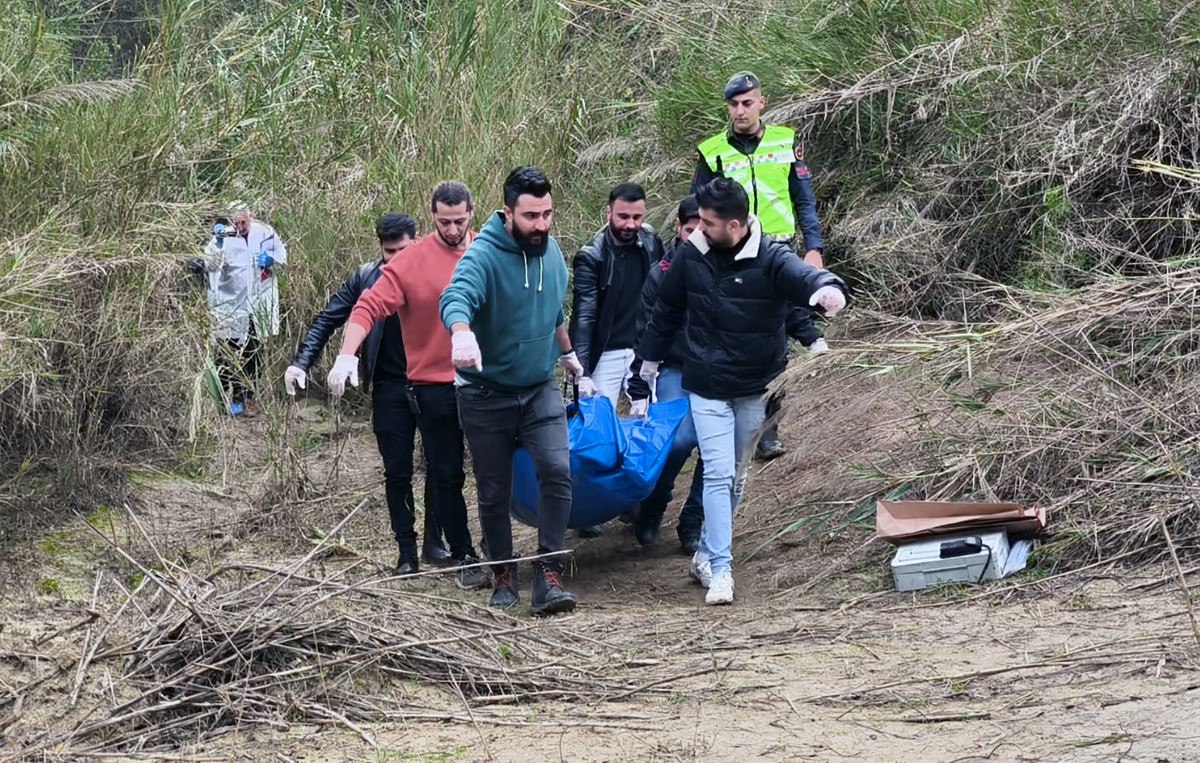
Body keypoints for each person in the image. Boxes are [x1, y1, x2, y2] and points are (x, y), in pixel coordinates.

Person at [637, 178, 848, 606]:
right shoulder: (691, 255)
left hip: (754, 388)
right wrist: (647, 366)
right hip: (707, 385)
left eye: (709, 223)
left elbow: (807, 277)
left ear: (735, 226)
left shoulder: (769, 257)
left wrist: (828, 290)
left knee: (736, 477)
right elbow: (667, 310)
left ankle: (705, 554)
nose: (700, 230)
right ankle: (722, 569)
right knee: (716, 472)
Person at [325, 186, 490, 591]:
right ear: (432, 217)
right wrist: (347, 354)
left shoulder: (487, 251)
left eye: (460, 221)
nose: (453, 229)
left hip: (485, 381)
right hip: (432, 384)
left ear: (472, 214)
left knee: (480, 473)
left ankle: (488, 548)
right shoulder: (412, 260)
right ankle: (443, 553)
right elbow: (367, 306)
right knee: (435, 471)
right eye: (444, 222)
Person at [439, 166, 583, 617]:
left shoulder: (551, 250)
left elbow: (554, 307)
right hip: (486, 394)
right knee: (494, 488)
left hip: (539, 386)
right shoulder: (483, 255)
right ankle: (503, 572)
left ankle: (549, 573)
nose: (541, 225)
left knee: (557, 470)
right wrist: (461, 332)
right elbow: (456, 296)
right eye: (531, 216)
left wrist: (567, 355)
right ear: (507, 213)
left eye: (547, 214)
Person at [283, 213, 454, 571]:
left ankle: (434, 543)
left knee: (441, 466)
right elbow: (328, 319)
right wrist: (301, 362)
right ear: (379, 247)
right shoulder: (366, 278)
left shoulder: (439, 268)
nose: (397, 260)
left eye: (404, 250)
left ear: (418, 240)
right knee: (397, 471)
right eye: (389, 252)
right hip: (390, 386)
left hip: (435, 383)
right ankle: (406, 552)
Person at [692, 71, 829, 460]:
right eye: (733, 104)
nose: (740, 110)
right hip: (732, 255)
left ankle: (769, 430)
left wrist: (814, 248)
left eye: (747, 103)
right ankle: (731, 419)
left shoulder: (786, 142)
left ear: (761, 103)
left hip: (779, 251)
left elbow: (804, 201)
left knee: (775, 342)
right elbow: (697, 208)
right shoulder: (712, 150)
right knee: (739, 335)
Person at [567, 182, 665, 538]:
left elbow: (664, 292)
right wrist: (582, 369)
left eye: (637, 216)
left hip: (642, 347)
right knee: (596, 434)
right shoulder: (591, 255)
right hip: (605, 350)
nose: (630, 224)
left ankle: (642, 505)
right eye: (623, 216)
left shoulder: (651, 240)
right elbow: (586, 313)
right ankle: (587, 508)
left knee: (648, 422)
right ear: (608, 212)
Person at [627, 196, 705, 552]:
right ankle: (654, 506)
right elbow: (645, 331)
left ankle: (692, 522)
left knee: (717, 452)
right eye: (691, 230)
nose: (698, 237)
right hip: (675, 366)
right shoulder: (661, 273)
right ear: (678, 228)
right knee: (677, 441)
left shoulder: (724, 264)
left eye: (705, 230)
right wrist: (641, 381)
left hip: (718, 370)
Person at [201, 205, 287, 417]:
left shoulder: (265, 232)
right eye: (236, 223)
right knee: (227, 354)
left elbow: (282, 258)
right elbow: (209, 266)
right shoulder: (224, 237)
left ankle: (248, 399)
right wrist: (219, 243)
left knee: (253, 353)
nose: (240, 228)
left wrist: (271, 261)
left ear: (251, 217)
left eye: (244, 223)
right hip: (231, 305)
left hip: (258, 305)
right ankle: (227, 400)